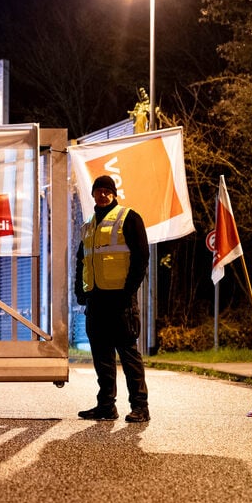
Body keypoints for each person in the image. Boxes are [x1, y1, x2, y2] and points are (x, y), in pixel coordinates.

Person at [74, 174, 150, 423]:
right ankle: (106, 406)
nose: (103, 194)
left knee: (128, 354)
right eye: (99, 191)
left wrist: (129, 291)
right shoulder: (88, 224)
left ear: (114, 194)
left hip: (121, 300)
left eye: (108, 191)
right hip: (96, 300)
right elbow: (82, 259)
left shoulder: (128, 218)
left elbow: (141, 257)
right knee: (102, 356)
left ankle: (140, 406)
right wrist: (81, 291)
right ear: (94, 194)